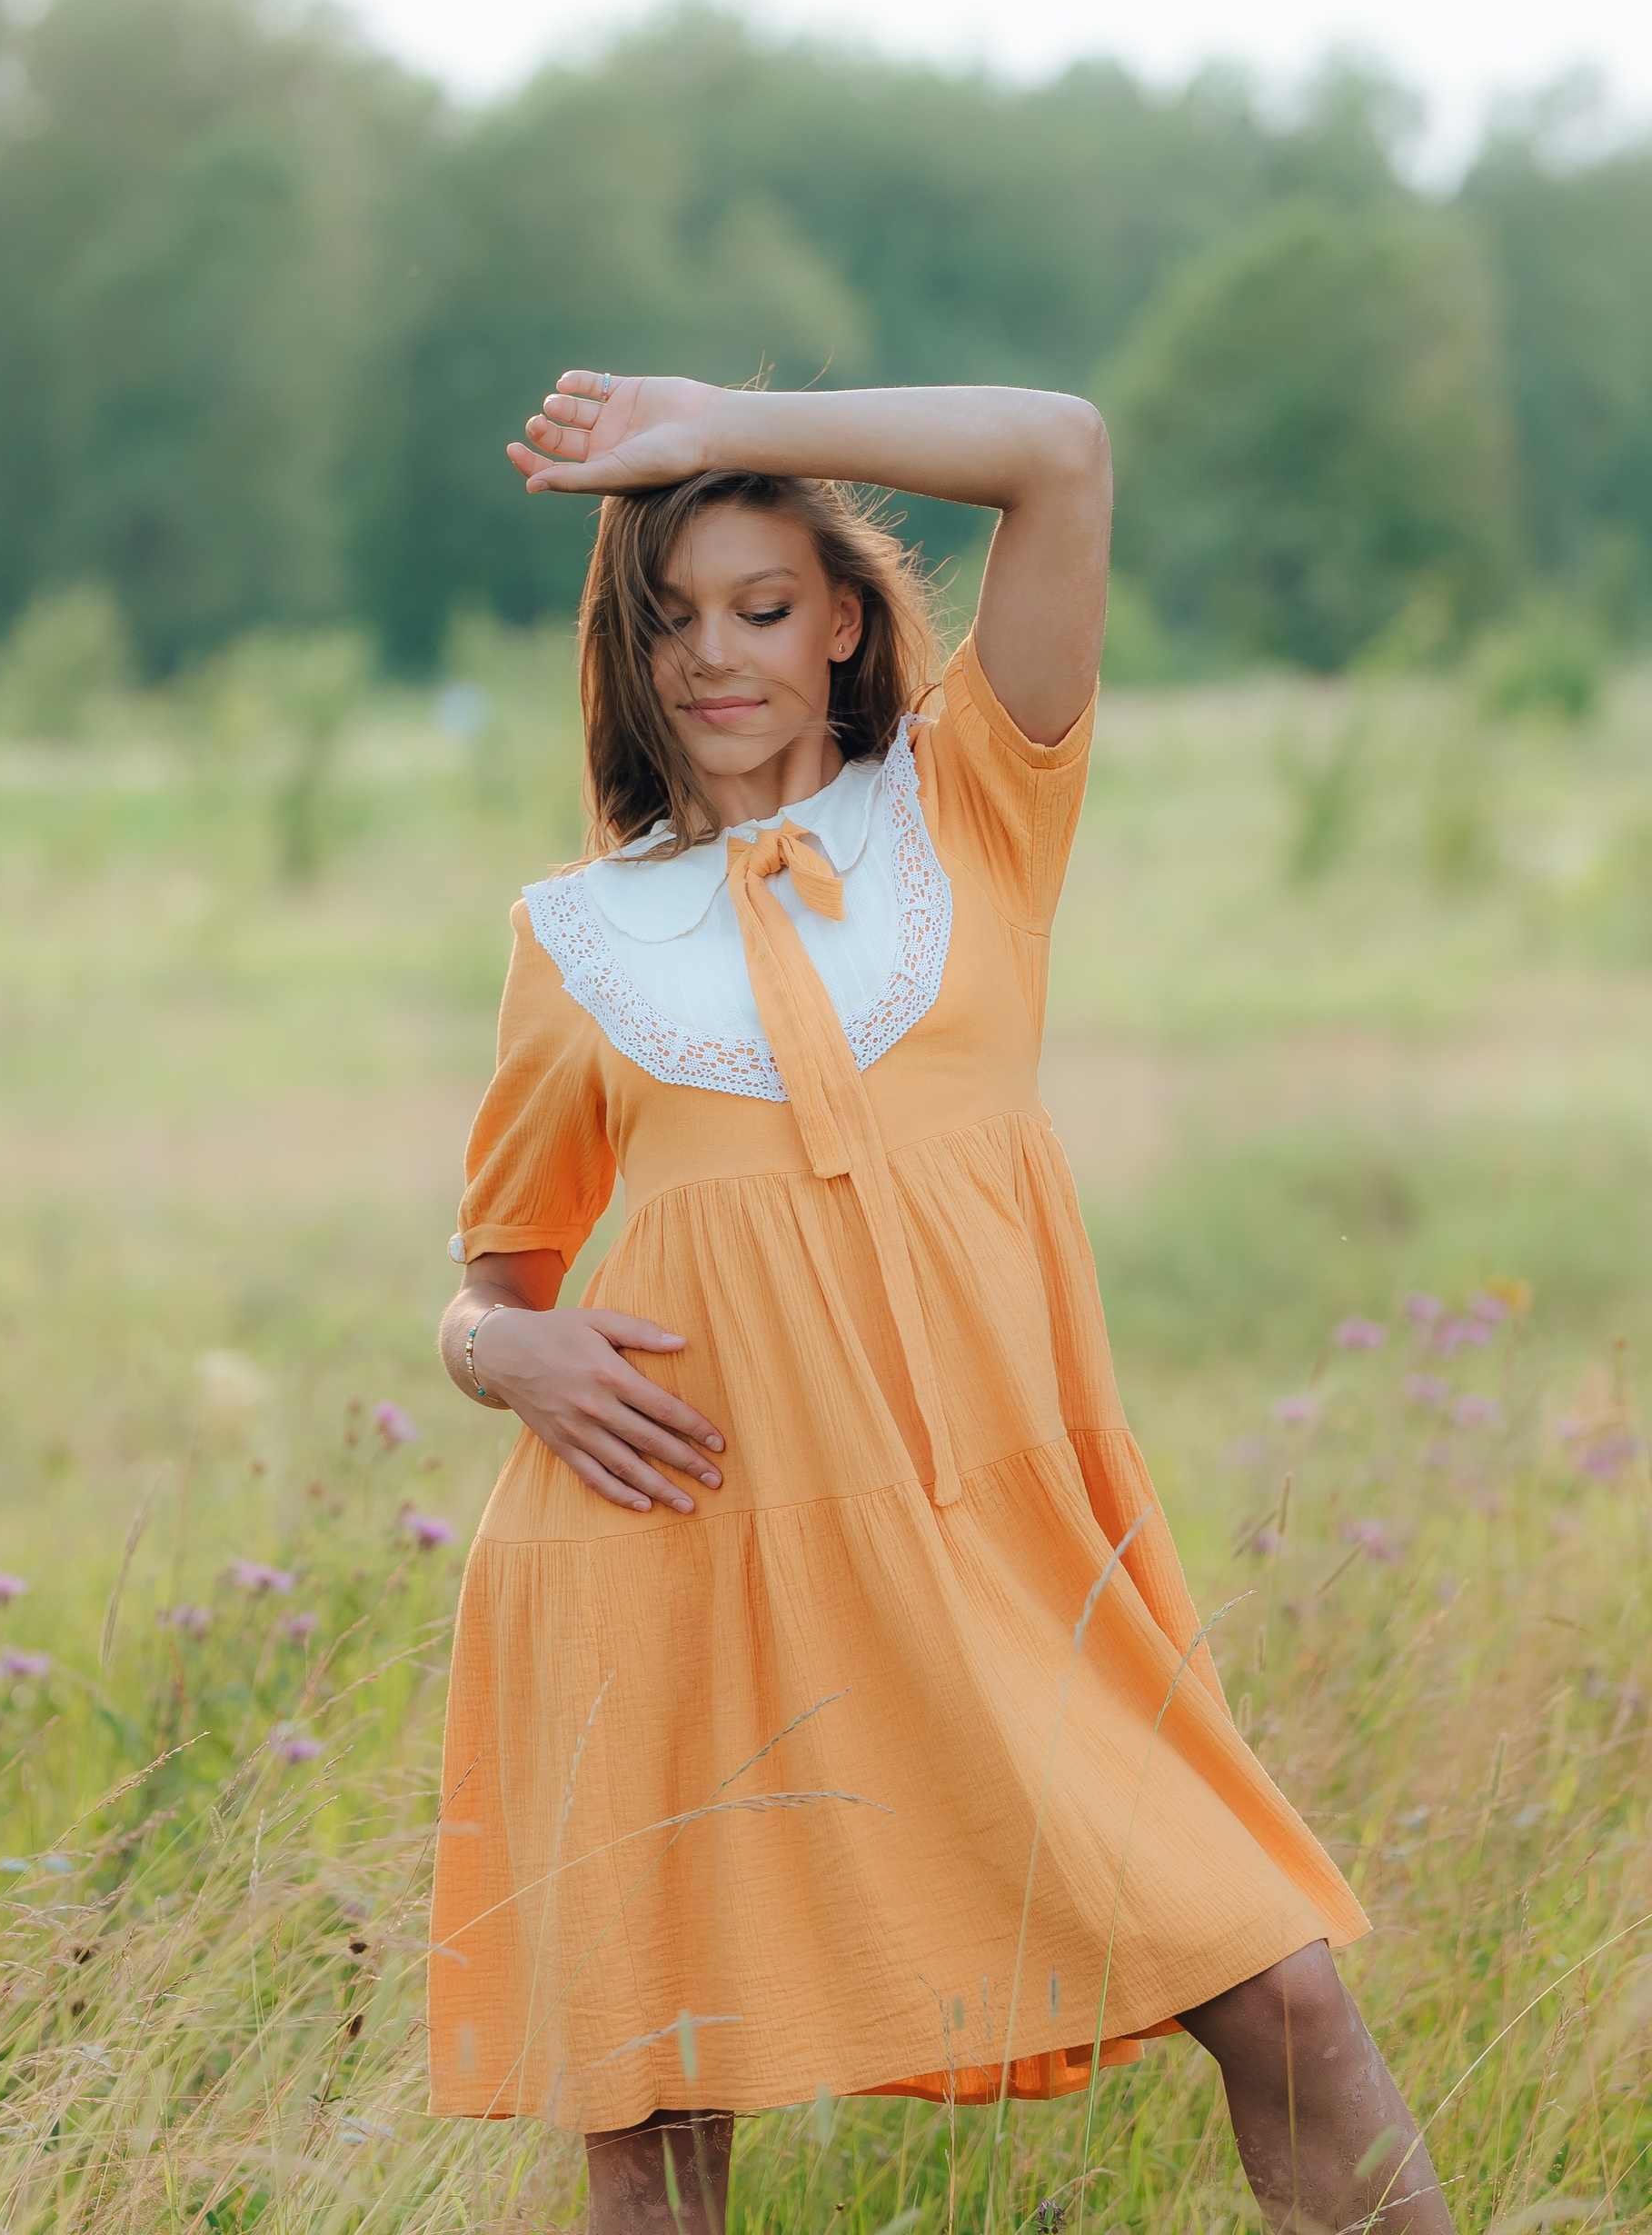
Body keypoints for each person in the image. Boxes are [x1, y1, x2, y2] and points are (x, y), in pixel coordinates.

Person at [430, 374, 1453, 2235]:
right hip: (675, 1555)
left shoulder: (972, 802)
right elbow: (494, 1283)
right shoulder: (571, 938)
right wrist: (506, 1351)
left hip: (997, 1551)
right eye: (671, 618)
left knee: (1285, 1997)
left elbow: (1059, 451)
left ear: (840, 620)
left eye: (761, 606)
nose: (715, 656)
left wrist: (709, 423)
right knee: (658, 2117)